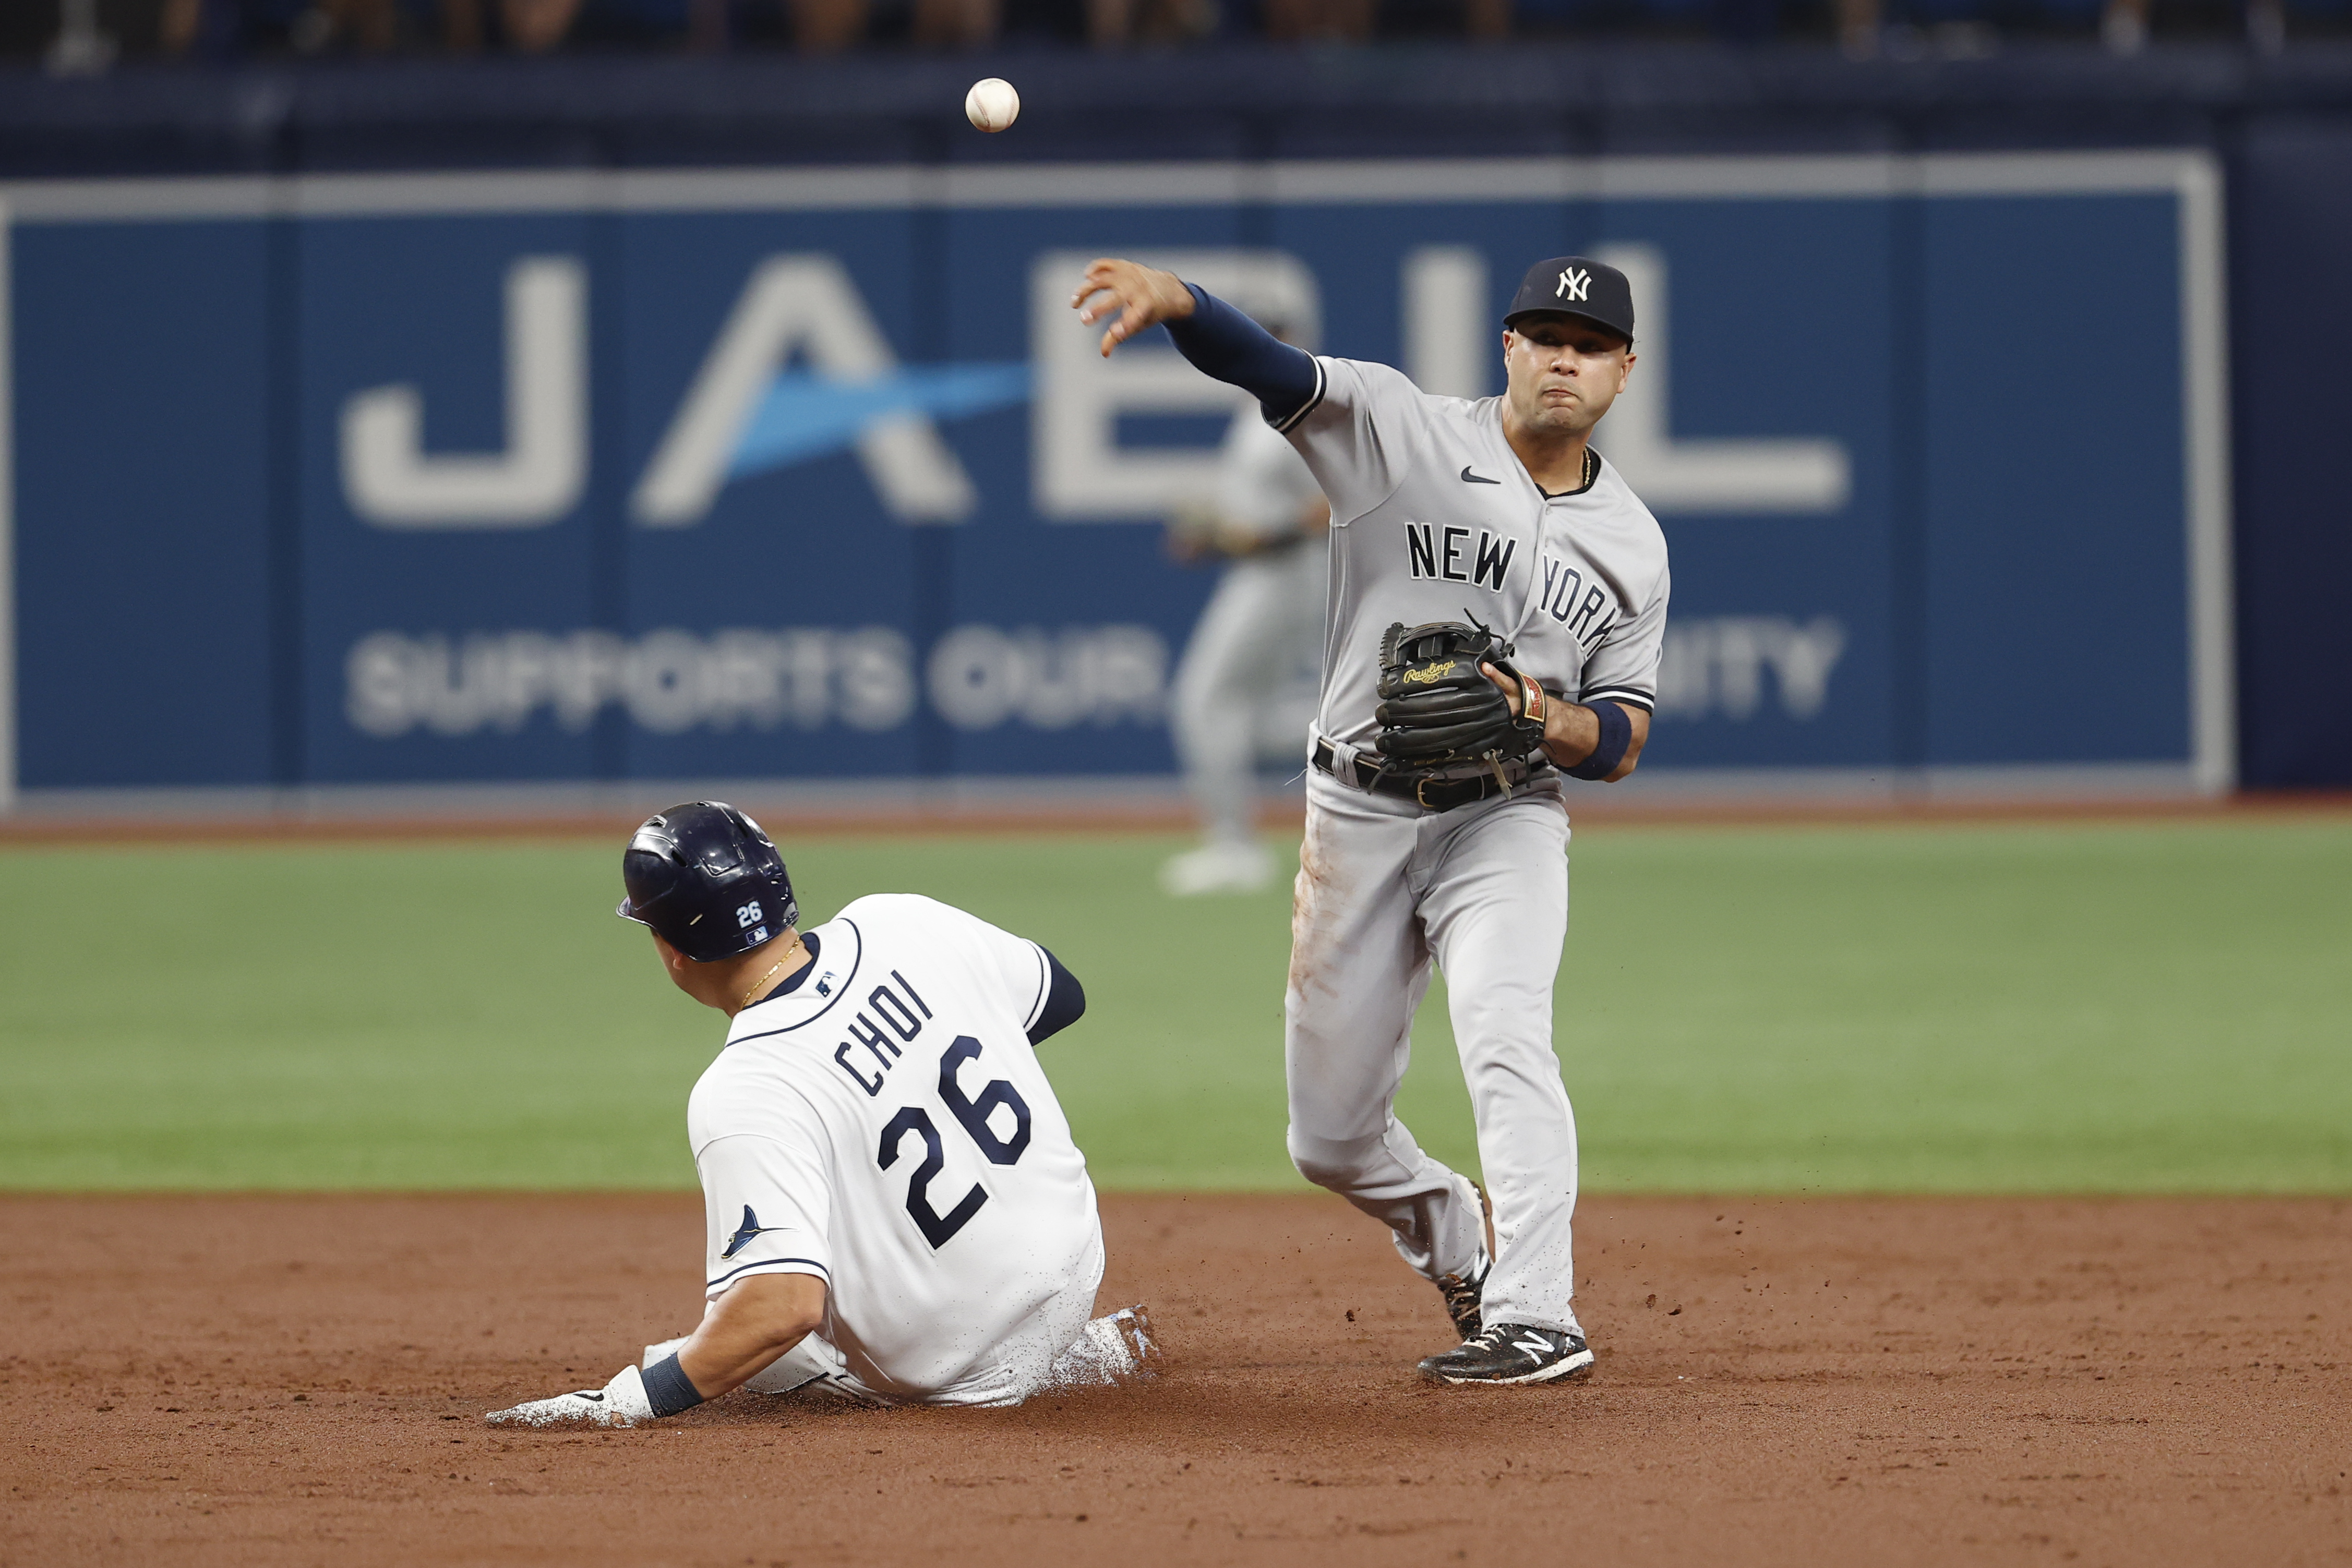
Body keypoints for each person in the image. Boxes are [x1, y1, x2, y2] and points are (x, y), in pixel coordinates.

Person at [1072, 254, 1667, 1385]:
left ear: (1622, 370)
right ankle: (1455, 1239)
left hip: (1505, 819)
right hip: (1354, 807)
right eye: (1542, 336)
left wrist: (1543, 716)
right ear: (1507, 348)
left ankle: (1538, 1313)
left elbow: (1625, 739)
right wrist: (1182, 305)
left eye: (1587, 346)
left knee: (1505, 1030)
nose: (1562, 359)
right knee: (1329, 1140)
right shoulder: (1400, 429)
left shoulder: (1633, 543)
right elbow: (1268, 369)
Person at [487, 801, 1155, 1426]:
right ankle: (1075, 1350)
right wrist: (905, 1072)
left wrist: (628, 1401)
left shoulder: (744, 1088)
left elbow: (781, 1307)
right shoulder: (902, 920)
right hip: (1075, 1268)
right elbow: (1060, 996)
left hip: (959, 1370)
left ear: (673, 952)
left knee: (726, 1350)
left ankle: (1047, 1368)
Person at [1160, 376, 1331, 898]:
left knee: (1203, 700)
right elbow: (1251, 516)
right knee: (1246, 721)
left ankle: (1233, 848)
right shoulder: (1251, 417)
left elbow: (1331, 502)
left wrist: (1263, 536)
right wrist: (1213, 537)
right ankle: (1370, 738)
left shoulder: (1294, 410)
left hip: (1285, 575)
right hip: (1261, 574)